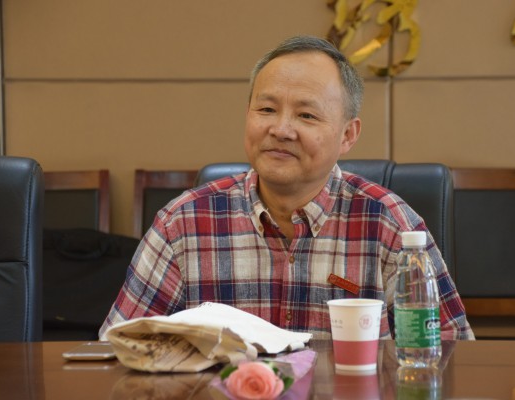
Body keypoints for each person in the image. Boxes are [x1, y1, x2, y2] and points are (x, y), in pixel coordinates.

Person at [99, 35, 474, 340]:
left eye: (306, 115)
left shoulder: (392, 226)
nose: (280, 129)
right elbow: (120, 351)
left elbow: (448, 359)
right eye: (266, 110)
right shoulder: (183, 223)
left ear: (348, 135)